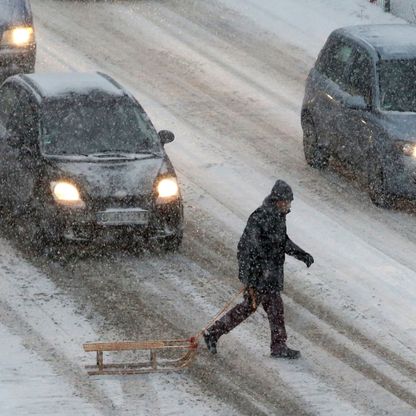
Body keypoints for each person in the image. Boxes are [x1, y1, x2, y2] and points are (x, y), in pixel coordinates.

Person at [204, 180, 314, 359]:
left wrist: (302, 254)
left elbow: (282, 241)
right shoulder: (261, 217)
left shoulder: (277, 216)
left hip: (267, 275)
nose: (288, 205)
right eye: (286, 201)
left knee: (257, 308)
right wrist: (254, 276)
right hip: (260, 275)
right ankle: (277, 346)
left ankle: (214, 333)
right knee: (271, 309)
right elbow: (248, 248)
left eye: (289, 202)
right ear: (277, 200)